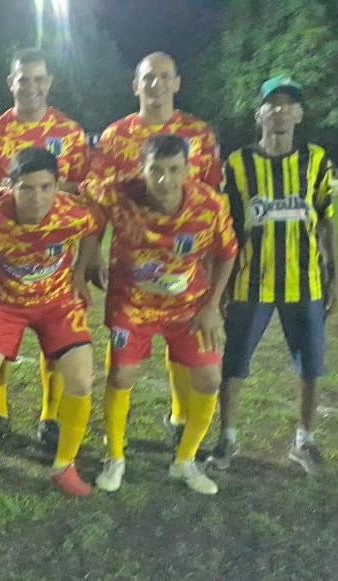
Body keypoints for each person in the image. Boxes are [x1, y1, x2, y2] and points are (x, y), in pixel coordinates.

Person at [85, 134, 237, 495]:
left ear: (187, 169)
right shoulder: (118, 193)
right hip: (132, 304)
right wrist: (90, 257)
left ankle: (185, 461)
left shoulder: (209, 204)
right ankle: (115, 456)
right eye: (156, 170)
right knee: (122, 374)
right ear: (142, 168)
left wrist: (213, 306)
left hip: (189, 308)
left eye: (174, 169)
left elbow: (228, 252)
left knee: (210, 379)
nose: (165, 179)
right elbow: (80, 198)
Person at [87, 51, 224, 449]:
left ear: (177, 83)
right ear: (136, 86)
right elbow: (97, 199)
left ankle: (181, 415)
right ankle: (117, 447)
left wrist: (213, 276)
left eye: (165, 76)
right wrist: (94, 249)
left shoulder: (198, 134)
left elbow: (212, 200)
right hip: (134, 271)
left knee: (187, 343)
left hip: (187, 265)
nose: (157, 84)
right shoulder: (115, 137)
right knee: (126, 363)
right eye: (149, 77)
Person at [207, 76, 335, 475]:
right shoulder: (238, 164)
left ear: (299, 114)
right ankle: (226, 437)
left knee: (311, 364)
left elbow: (328, 221)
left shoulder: (316, 160)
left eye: (288, 104)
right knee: (234, 363)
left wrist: (335, 274)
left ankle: (305, 439)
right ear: (258, 113)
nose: (280, 110)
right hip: (250, 281)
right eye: (272, 104)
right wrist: (220, 285)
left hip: (307, 282)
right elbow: (222, 229)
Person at [0, 47, 91, 449]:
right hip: (3, 261)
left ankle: (50, 416)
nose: (31, 87)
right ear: (11, 84)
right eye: (24, 79)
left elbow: (85, 199)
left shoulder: (70, 133)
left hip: (51, 261)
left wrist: (84, 266)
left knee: (57, 344)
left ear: (49, 82)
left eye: (39, 79)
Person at [0, 147, 99, 495]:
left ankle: (64, 466)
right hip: (3, 302)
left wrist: (80, 275)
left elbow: (90, 232)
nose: (37, 197)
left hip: (56, 303)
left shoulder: (73, 213)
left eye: (45, 187)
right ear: (10, 186)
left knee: (82, 380)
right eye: (26, 188)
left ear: (57, 186)